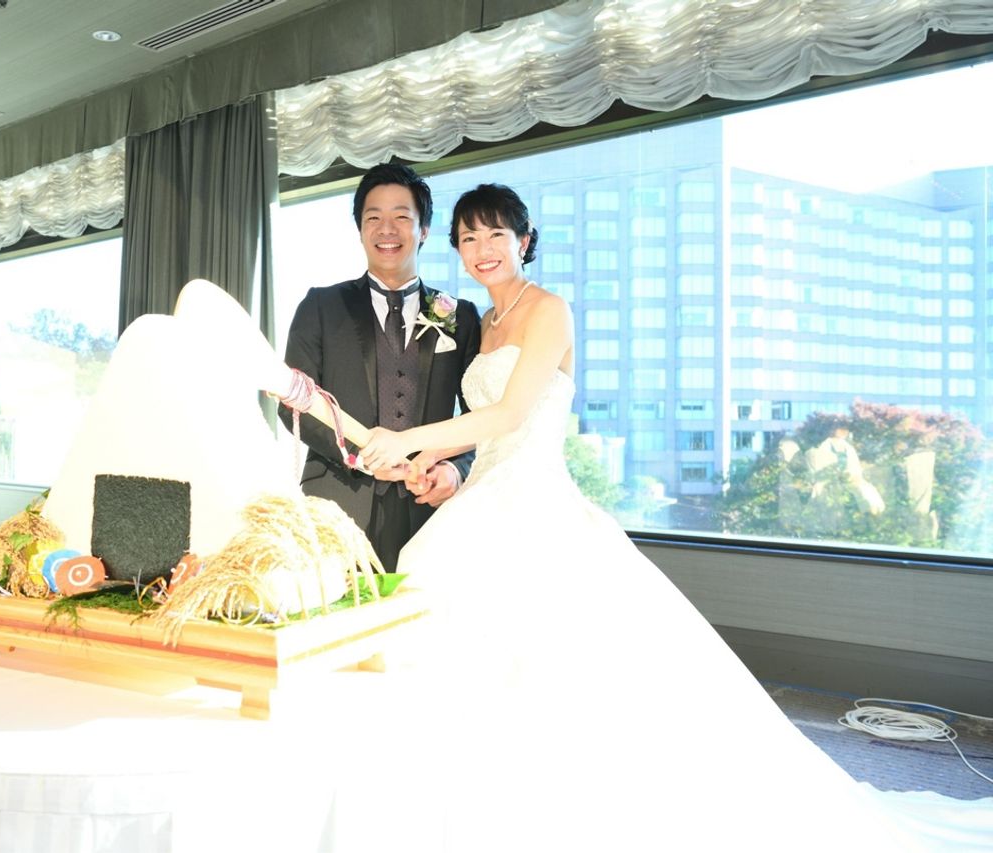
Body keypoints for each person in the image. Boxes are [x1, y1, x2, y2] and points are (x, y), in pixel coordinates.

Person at [358, 184, 919, 850]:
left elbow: (510, 415)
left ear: (524, 241)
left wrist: (408, 439)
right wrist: (434, 463)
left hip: (535, 501)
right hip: (483, 493)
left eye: (496, 234)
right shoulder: (480, 320)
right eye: (469, 237)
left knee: (548, 666)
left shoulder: (549, 310)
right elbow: (477, 425)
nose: (482, 249)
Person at [281, 163, 482, 572]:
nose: (386, 229)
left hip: (429, 509)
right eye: (374, 218)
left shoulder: (458, 315)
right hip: (336, 507)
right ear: (360, 229)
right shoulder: (320, 306)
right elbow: (292, 404)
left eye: (401, 217)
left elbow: (479, 416)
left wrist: (455, 469)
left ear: (423, 230)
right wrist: (362, 455)